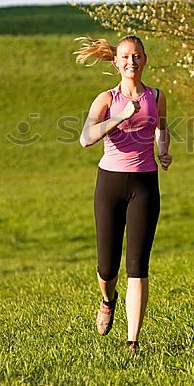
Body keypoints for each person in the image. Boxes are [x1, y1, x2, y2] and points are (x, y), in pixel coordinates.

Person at [77, 35, 172, 355]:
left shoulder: (157, 96)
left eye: (137, 56)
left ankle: (133, 341)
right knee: (107, 269)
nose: (132, 61)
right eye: (126, 57)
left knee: (138, 265)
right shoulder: (106, 99)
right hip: (110, 185)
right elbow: (86, 138)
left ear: (145, 60)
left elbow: (162, 127)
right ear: (116, 63)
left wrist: (163, 151)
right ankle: (108, 299)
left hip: (145, 185)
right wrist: (120, 117)